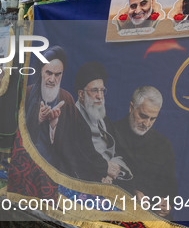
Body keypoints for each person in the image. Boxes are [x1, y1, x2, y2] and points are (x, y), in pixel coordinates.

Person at [114, 86, 177, 218]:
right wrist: (131, 193)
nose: (147, 124)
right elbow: (97, 175)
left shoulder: (163, 145)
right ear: (131, 108)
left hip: (151, 216)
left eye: (152, 118)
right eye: (143, 116)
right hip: (115, 209)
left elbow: (170, 186)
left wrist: (167, 203)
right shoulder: (111, 133)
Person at [65, 62, 131, 184]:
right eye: (95, 90)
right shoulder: (71, 119)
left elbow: (120, 150)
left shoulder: (103, 120)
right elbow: (78, 158)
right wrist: (104, 170)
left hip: (111, 177)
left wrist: (111, 172)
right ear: (81, 94)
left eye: (102, 90)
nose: (100, 96)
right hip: (86, 181)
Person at [23, 46, 77, 172]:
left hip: (58, 168)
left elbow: (74, 139)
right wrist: (38, 119)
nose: (53, 80)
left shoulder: (67, 99)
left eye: (58, 75)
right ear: (41, 71)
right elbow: (19, 132)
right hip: (31, 165)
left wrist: (54, 127)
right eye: (49, 73)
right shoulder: (28, 94)